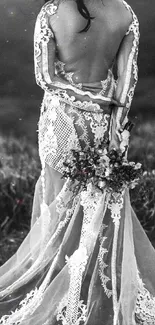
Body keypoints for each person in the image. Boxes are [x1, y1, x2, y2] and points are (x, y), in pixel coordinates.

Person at [0, 0, 155, 324]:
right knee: (100, 198)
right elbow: (127, 80)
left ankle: (55, 282)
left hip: (62, 120)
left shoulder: (52, 12)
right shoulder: (125, 12)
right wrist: (114, 118)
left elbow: (45, 77)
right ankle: (95, 286)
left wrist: (89, 99)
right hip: (106, 123)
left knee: (57, 196)